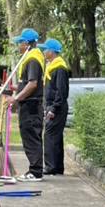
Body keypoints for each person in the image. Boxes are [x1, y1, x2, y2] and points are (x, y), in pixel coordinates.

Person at [12, 28, 45, 180]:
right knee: (31, 137)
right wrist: (16, 88)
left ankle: (35, 172)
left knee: (31, 138)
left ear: (26, 43)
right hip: (30, 105)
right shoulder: (32, 57)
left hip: (31, 106)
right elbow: (28, 83)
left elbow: (32, 84)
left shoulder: (32, 59)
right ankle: (35, 170)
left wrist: (16, 98)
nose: (18, 46)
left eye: (20, 43)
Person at [42, 38, 70, 177]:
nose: (43, 52)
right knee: (56, 137)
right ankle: (58, 166)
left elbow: (61, 91)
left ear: (52, 51)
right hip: (53, 106)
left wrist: (53, 108)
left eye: (45, 49)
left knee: (50, 136)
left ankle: (50, 166)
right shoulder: (53, 66)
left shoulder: (59, 68)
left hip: (56, 108)